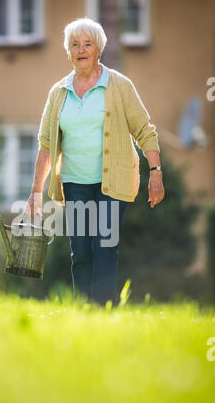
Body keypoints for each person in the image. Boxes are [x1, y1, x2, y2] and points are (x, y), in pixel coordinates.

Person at [24, 18, 165, 306]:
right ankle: (83, 311)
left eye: (88, 44)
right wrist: (36, 192)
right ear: (68, 52)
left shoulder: (119, 85)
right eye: (75, 45)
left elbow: (145, 130)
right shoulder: (58, 92)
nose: (81, 49)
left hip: (113, 182)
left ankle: (102, 311)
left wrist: (155, 172)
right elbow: (46, 145)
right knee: (82, 251)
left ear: (99, 49)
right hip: (75, 183)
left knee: (105, 245)